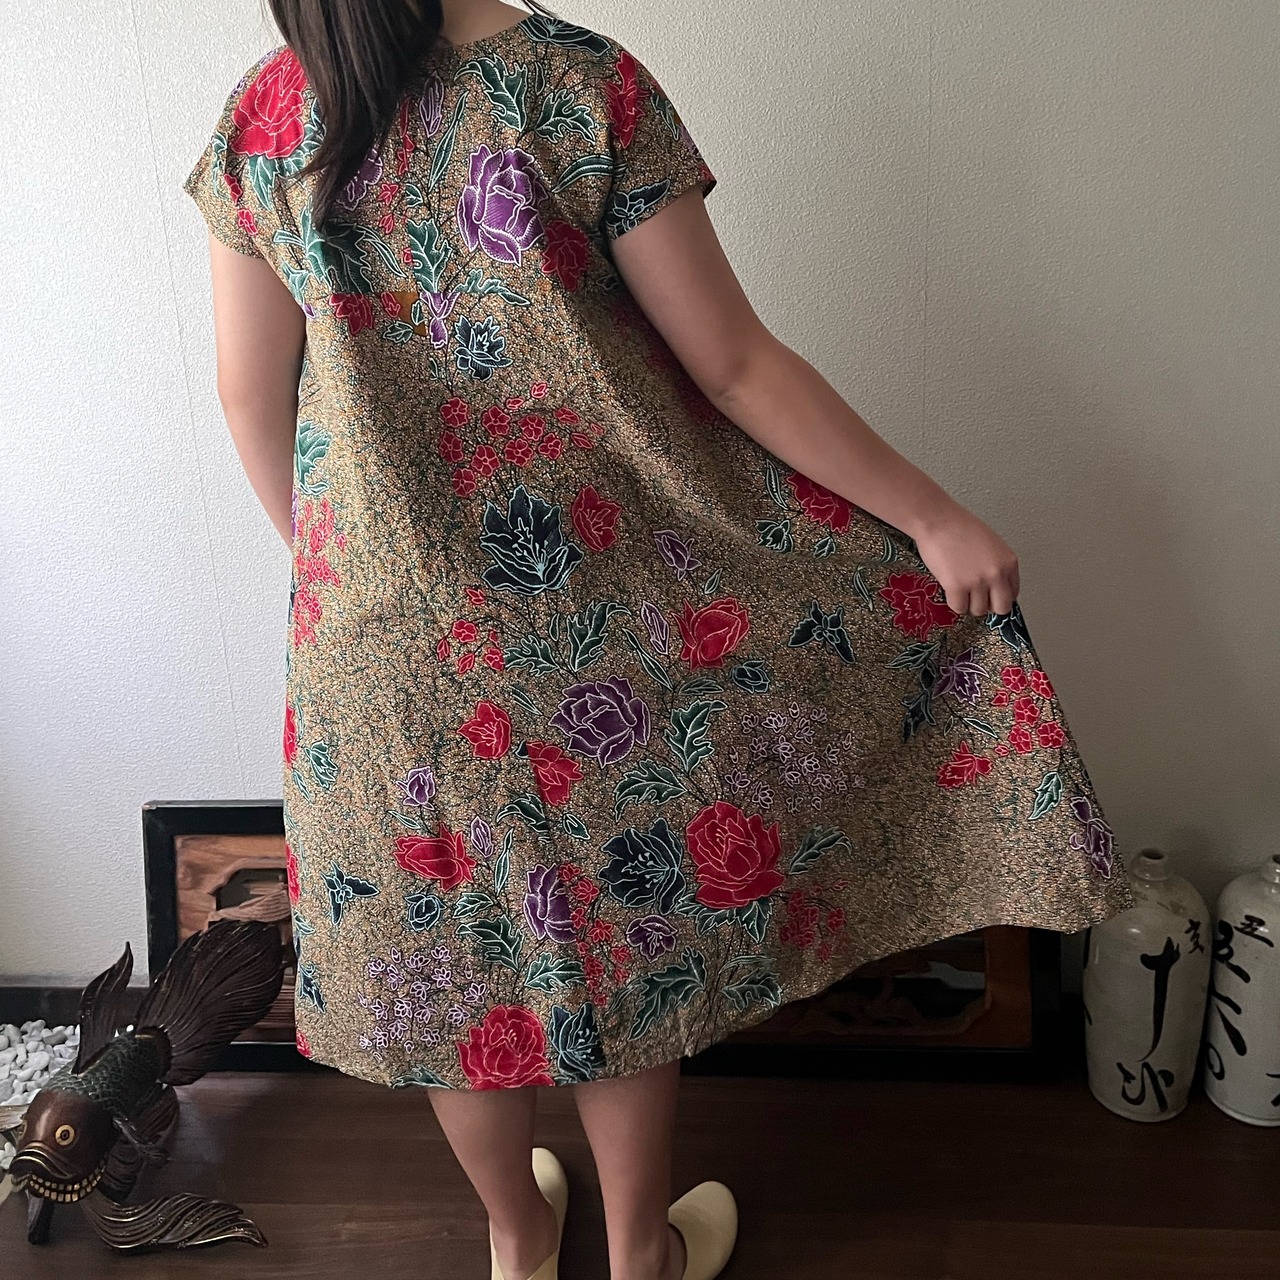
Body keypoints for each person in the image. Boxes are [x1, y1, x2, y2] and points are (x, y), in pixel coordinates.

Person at [181, 2, 1138, 1278]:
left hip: (377, 636)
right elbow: (732, 365)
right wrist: (928, 517)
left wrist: (352, 585)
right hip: (591, 612)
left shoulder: (262, 118)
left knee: (451, 955)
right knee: (618, 924)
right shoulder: (577, 86)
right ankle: (641, 1253)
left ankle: (518, 1237)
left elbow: (252, 398)